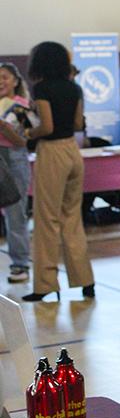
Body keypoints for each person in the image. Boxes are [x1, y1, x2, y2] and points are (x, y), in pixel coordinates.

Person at [22, 41, 94, 302]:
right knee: (72, 217)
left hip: (51, 152)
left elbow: (47, 127)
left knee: (46, 219)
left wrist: (28, 131)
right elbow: (76, 123)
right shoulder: (74, 87)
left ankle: (45, 284)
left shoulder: (41, 88)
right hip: (72, 152)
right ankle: (85, 280)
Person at [0, 63, 32, 283]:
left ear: (15, 81)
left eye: (4, 77)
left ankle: (20, 263)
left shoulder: (21, 106)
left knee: (15, 213)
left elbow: (22, 140)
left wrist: (3, 127)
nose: (1, 82)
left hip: (13, 159)